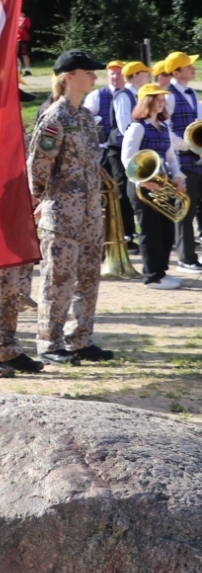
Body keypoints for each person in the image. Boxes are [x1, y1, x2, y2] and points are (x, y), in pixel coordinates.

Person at [29, 52, 115, 365]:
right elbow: (38, 165)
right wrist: (40, 201)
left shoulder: (84, 117)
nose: (94, 76)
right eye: (88, 72)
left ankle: (80, 339)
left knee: (88, 277)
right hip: (62, 214)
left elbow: (86, 160)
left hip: (89, 213)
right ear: (68, 76)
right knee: (58, 279)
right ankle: (49, 343)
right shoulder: (55, 118)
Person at [123, 82, 185, 290]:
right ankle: (152, 276)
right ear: (146, 101)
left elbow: (170, 156)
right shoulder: (137, 127)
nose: (161, 103)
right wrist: (143, 181)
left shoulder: (164, 126)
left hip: (162, 183)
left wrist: (177, 177)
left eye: (162, 100)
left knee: (166, 229)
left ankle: (161, 271)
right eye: (156, 99)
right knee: (150, 231)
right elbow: (127, 158)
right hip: (142, 187)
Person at [88, 61, 137, 250]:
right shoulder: (96, 96)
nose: (116, 77)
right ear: (107, 76)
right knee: (106, 193)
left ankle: (127, 235)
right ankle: (107, 237)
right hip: (104, 151)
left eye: (119, 74)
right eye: (112, 74)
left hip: (121, 151)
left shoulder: (129, 95)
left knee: (123, 191)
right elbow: (87, 120)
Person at [162, 52, 202, 273]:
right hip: (182, 163)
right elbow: (166, 130)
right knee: (185, 212)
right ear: (176, 71)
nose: (193, 69)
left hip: (198, 161)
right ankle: (186, 259)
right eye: (188, 66)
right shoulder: (168, 96)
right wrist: (189, 145)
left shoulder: (192, 93)